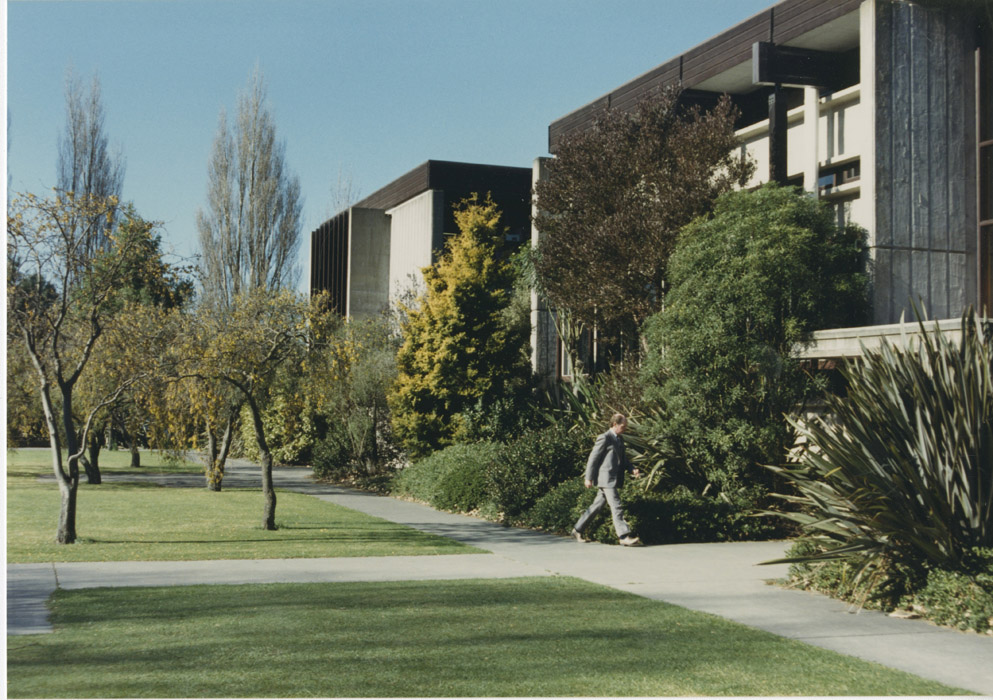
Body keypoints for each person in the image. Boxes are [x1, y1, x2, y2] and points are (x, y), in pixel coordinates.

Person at [571, 413, 641, 546]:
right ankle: (623, 536)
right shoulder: (604, 438)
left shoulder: (619, 439)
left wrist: (632, 469)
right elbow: (593, 458)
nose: (625, 428)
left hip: (612, 479)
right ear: (615, 424)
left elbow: (624, 459)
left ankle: (577, 529)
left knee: (596, 506)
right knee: (616, 506)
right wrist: (588, 477)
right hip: (606, 478)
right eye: (623, 426)